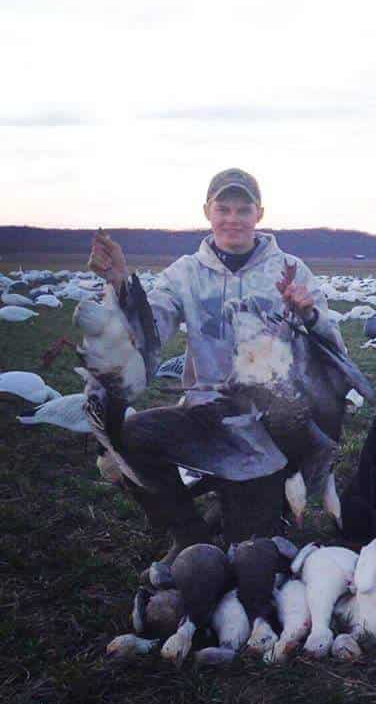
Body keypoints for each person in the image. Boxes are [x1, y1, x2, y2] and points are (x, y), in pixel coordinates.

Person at [88, 168, 346, 563]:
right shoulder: (186, 273)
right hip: (205, 413)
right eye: (223, 208)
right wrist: (121, 285)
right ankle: (187, 532)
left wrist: (309, 317)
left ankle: (246, 502)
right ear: (206, 211)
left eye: (243, 210)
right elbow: (148, 332)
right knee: (126, 435)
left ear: (259, 213)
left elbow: (335, 350)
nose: (232, 219)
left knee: (249, 547)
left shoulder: (291, 271)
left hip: (269, 429)